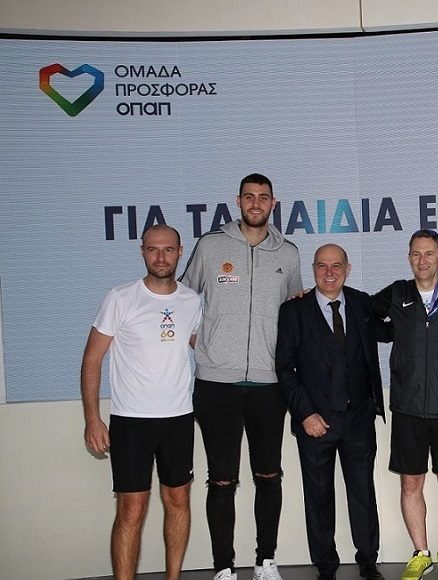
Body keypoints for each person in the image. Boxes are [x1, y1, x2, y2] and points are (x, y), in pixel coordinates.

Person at [180, 173, 303, 580]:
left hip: (269, 385)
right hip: (216, 385)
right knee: (221, 480)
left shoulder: (288, 253)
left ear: (273, 204)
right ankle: (223, 568)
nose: (256, 203)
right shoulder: (211, 246)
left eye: (263, 197)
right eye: (249, 197)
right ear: (238, 202)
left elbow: (295, 312)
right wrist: (201, 340)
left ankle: (266, 561)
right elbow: (182, 298)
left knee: (269, 475)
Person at [81, 224, 202, 580]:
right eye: (153, 249)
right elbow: (92, 360)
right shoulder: (120, 298)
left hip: (179, 418)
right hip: (131, 421)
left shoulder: (192, 301)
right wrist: (92, 419)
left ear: (180, 252)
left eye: (168, 250)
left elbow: (208, 351)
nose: (161, 257)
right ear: (142, 252)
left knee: (178, 501)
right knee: (131, 509)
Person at [275, 244, 385, 580]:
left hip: (359, 420)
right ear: (313, 269)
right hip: (315, 422)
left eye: (336, 266)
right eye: (322, 266)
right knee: (318, 496)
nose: (329, 273)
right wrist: (305, 414)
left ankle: (368, 561)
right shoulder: (293, 311)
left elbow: (401, 318)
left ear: (348, 269)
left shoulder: (363, 303)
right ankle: (325, 565)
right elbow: (285, 368)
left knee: (363, 494)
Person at [373, 229, 438, 580]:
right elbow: (361, 314)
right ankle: (421, 552)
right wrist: (393, 333)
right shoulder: (397, 293)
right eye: (416, 253)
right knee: (410, 483)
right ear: (409, 257)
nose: (422, 260)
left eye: (429, 253)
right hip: (408, 407)